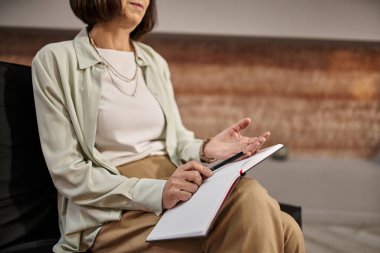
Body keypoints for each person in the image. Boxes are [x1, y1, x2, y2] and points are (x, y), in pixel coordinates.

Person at [31, 0, 305, 252]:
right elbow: (68, 171)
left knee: (286, 226)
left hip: (175, 186)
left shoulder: (153, 61)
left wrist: (206, 148)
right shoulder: (56, 60)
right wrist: (158, 192)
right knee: (250, 198)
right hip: (114, 210)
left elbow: (176, 140)